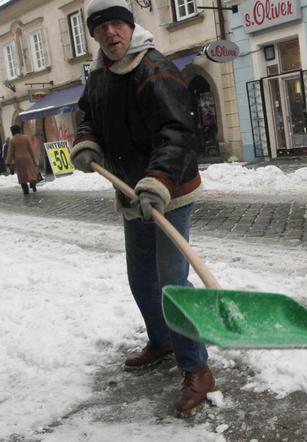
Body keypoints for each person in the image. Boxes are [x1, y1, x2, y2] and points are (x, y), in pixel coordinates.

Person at [70, 0, 213, 418]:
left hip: (170, 188)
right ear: (94, 35)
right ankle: (162, 339)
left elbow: (177, 133)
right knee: (141, 279)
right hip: (131, 192)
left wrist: (158, 183)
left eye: (118, 24)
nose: (112, 33)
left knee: (171, 281)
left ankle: (197, 368)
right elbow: (87, 116)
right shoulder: (98, 76)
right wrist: (86, 142)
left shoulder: (155, 68)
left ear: (131, 28)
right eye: (102, 27)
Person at [5, 126, 39, 194]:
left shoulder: (12, 140)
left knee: (22, 177)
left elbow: (10, 152)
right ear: (19, 130)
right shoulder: (26, 138)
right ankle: (32, 182)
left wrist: (8, 162)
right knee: (31, 173)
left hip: (18, 160)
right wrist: (35, 160)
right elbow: (31, 149)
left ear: (12, 131)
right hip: (28, 158)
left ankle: (25, 191)